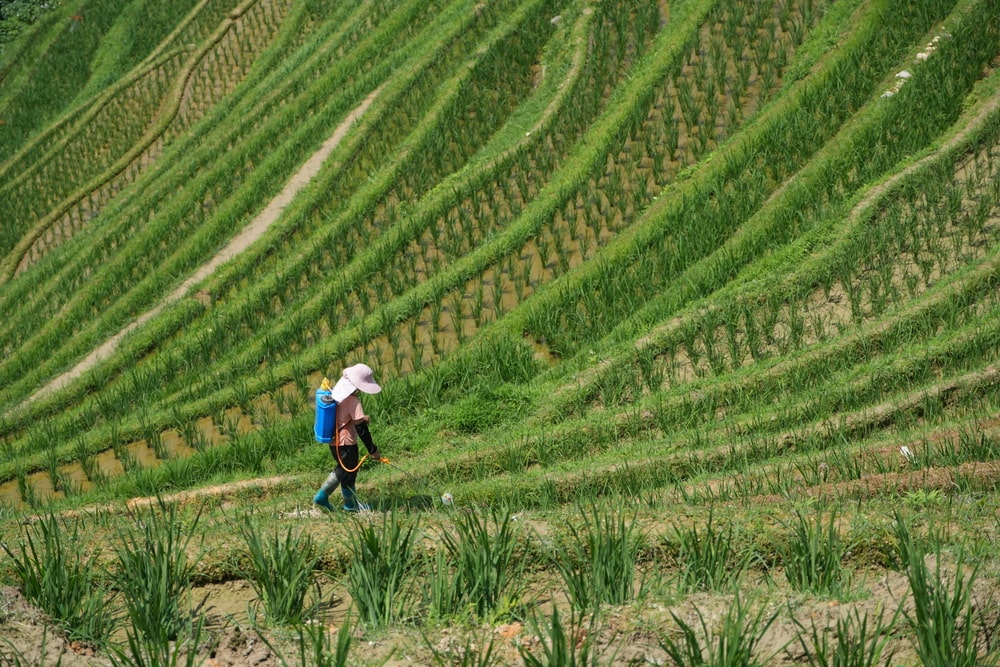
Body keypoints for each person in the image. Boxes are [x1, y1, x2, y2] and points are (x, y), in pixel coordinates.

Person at [313, 363, 383, 512]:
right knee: (349, 473)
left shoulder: (336, 392)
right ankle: (350, 506)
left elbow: (343, 416)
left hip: (333, 441)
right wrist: (372, 450)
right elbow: (361, 429)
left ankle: (321, 497)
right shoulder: (353, 401)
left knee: (342, 469)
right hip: (347, 443)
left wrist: (362, 418)